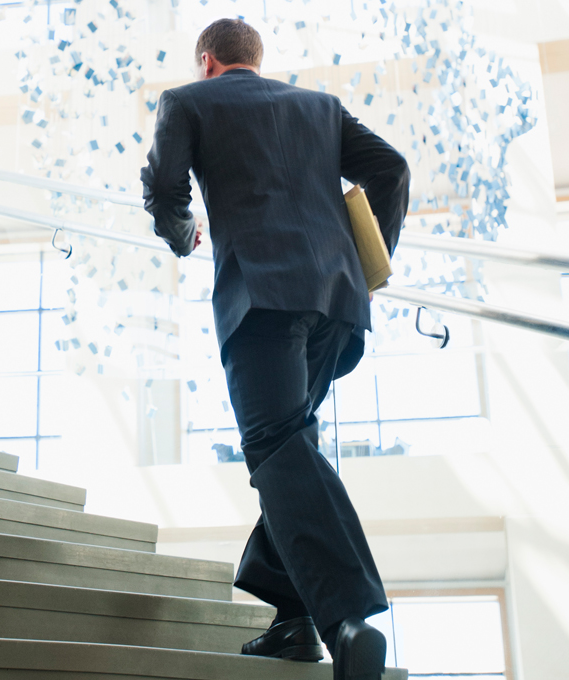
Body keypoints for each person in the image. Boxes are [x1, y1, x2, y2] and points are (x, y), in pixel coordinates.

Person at [140, 18, 410, 680]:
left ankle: (347, 618)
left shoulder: (188, 102)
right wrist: (368, 264)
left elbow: (164, 189)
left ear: (207, 62)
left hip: (260, 298)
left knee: (274, 446)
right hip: (339, 306)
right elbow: (392, 170)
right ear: (256, 61)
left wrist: (183, 235)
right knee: (292, 445)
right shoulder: (318, 106)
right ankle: (291, 621)